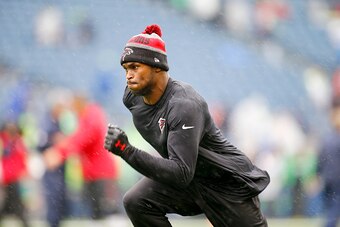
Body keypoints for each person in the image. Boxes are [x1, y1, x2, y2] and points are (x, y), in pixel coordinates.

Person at [104, 24, 270, 227]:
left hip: (225, 184)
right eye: (126, 69)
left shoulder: (184, 105)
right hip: (190, 181)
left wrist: (127, 151)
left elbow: (181, 172)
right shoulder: (132, 97)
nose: (128, 76)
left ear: (157, 66)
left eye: (135, 67)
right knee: (137, 201)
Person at [44, 92, 120, 221]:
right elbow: (78, 137)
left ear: (79, 103)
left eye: (73, 106)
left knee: (107, 212)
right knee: (96, 212)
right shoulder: (86, 117)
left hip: (101, 173)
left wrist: (59, 153)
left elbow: (84, 138)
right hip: (92, 173)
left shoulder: (93, 115)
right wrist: (59, 150)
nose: (72, 110)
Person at [0, 122, 30, 227]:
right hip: (7, 177)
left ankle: (23, 220)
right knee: (14, 202)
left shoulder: (18, 142)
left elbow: (22, 158)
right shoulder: (4, 141)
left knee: (12, 201)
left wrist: (24, 171)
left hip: (14, 177)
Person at [317, 97, 340, 227]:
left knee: (332, 211)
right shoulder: (329, 138)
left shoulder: (328, 138)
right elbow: (320, 160)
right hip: (334, 181)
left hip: (331, 180)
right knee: (332, 212)